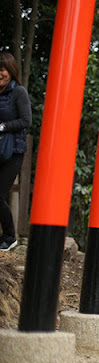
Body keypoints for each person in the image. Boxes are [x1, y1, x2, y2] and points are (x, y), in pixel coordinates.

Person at [0, 52, 31, 251]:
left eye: (2, 69)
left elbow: (26, 121)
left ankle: (10, 236)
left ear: (11, 71)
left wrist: (2, 127)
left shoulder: (19, 92)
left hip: (13, 153)